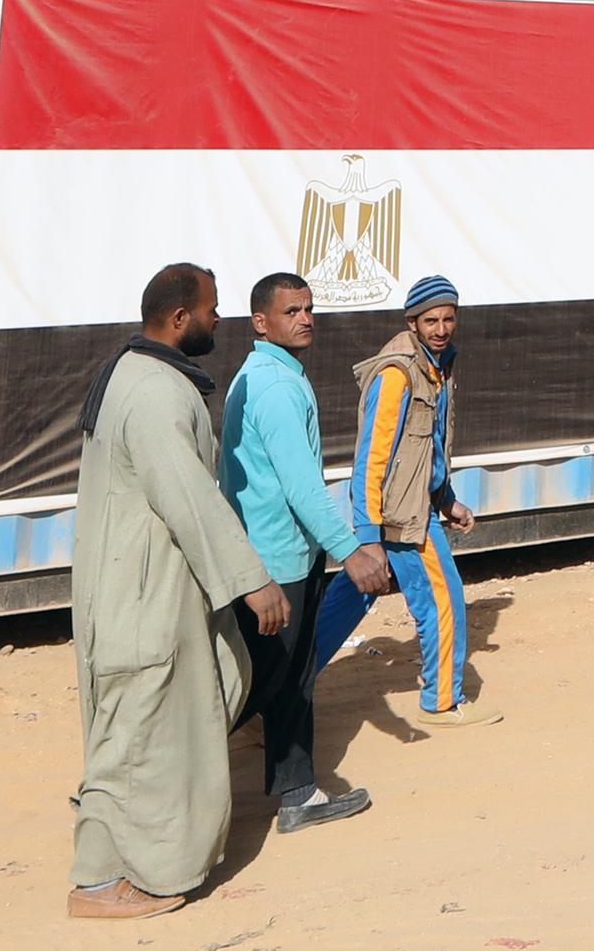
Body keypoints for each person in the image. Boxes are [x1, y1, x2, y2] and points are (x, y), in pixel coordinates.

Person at [67, 263, 286, 921]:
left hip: (141, 586)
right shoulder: (157, 393)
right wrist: (253, 581)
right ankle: (107, 882)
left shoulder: (133, 376)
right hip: (146, 600)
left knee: (136, 728)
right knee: (139, 735)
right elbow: (188, 497)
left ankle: (115, 869)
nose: (219, 318)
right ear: (179, 318)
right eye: (212, 308)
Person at [217, 272, 385, 831]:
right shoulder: (277, 387)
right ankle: (136, 782)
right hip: (277, 561)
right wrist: (350, 550)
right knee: (253, 687)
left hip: (279, 554)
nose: (306, 318)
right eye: (292, 311)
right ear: (261, 323)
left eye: (309, 308)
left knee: (287, 681)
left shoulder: (267, 374)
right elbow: (300, 485)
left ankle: (299, 794)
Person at [336, 276, 493, 726]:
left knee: (339, 612)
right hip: (401, 520)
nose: (441, 328)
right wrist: (368, 536)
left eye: (448, 319)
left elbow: (427, 450)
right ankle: (442, 701)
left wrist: (448, 502)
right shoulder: (396, 375)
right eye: (431, 320)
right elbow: (372, 460)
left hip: (414, 511)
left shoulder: (436, 368)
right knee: (443, 600)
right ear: (412, 322)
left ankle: (272, 699)